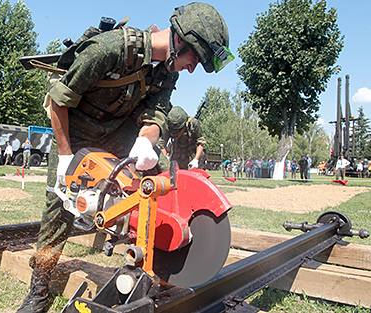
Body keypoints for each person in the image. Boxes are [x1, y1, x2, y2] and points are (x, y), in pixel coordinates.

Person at [17, 3, 233, 312]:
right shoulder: (110, 49)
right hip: (75, 133)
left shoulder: (167, 71)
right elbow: (57, 102)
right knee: (58, 211)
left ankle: (153, 267)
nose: (193, 67)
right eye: (194, 58)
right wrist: (65, 159)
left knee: (156, 185)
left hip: (119, 131)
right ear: (180, 41)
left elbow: (156, 113)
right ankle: (38, 294)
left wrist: (146, 141)